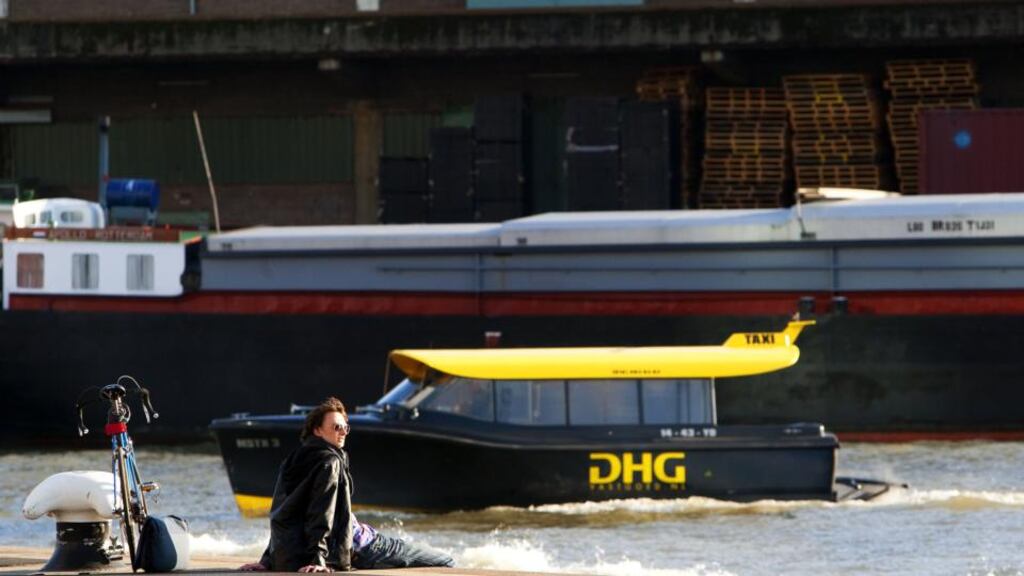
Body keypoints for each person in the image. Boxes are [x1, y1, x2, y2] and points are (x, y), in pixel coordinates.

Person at [239, 397, 454, 572]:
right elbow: (322, 513)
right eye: (336, 427)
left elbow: (283, 513)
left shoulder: (292, 461)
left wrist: (269, 559)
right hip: (363, 547)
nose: (342, 432)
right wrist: (319, 560)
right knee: (446, 561)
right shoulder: (330, 462)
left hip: (317, 549)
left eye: (345, 428)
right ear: (317, 430)